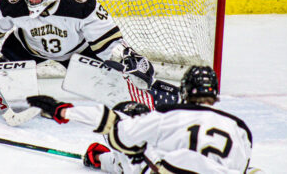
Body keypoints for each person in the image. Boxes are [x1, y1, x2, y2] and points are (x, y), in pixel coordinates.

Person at [27, 66, 257, 173]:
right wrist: (103, 159)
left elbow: (111, 123)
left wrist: (62, 110)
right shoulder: (240, 130)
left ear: (185, 91)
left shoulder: (166, 117)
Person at [0, 0, 155, 88]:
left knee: (107, 84)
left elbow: (107, 40)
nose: (30, 1)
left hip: (75, 52)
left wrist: (125, 57)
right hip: (27, 49)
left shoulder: (80, 7)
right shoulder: (14, 3)